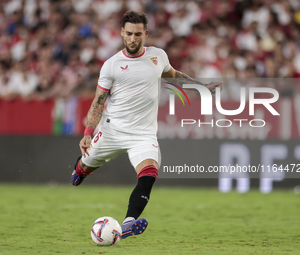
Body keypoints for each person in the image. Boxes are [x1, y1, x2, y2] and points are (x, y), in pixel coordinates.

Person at [70, 11, 222, 239]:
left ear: (146, 34)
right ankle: (80, 170)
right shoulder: (111, 65)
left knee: (149, 172)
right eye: (129, 33)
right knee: (84, 167)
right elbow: (98, 102)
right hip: (112, 130)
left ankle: (129, 222)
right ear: (122, 33)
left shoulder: (157, 56)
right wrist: (88, 133)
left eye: (138, 34)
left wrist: (201, 87)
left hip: (143, 134)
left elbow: (173, 75)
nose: (133, 39)